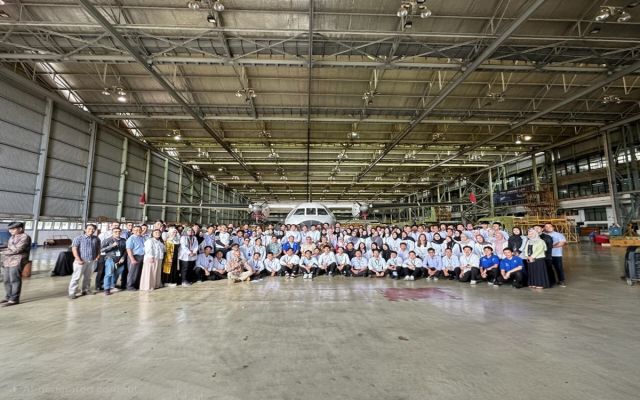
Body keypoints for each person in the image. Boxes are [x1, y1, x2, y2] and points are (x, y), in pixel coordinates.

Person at [1, 222, 31, 306]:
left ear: (20, 229)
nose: (10, 231)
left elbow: (18, 250)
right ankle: (8, 297)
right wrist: (5, 250)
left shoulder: (25, 237)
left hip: (18, 260)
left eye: (13, 229)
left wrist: (2, 252)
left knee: (14, 280)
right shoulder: (12, 237)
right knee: (6, 280)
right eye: (10, 229)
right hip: (8, 260)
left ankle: (14, 299)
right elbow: (9, 248)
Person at [69, 224, 101, 299]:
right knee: (76, 277)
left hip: (92, 261)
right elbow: (74, 249)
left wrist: (97, 257)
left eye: (93, 229)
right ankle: (72, 292)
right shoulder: (78, 238)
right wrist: (78, 259)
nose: (91, 230)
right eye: (89, 229)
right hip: (81, 261)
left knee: (88, 277)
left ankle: (85, 290)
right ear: (85, 229)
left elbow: (99, 248)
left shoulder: (96, 239)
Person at [101, 227, 126, 295]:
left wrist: (123, 257)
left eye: (119, 231)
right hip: (110, 259)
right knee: (109, 274)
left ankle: (112, 286)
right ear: (112, 232)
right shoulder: (107, 240)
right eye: (115, 231)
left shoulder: (123, 240)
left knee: (116, 274)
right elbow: (102, 250)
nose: (117, 233)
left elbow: (125, 250)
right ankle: (107, 289)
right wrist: (112, 246)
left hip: (120, 260)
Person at [125, 226, 145, 291]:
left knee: (138, 272)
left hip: (141, 256)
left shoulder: (142, 238)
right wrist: (132, 259)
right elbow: (129, 249)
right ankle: (130, 286)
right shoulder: (131, 238)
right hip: (134, 256)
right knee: (132, 272)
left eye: (139, 230)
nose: (138, 231)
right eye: (136, 230)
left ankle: (136, 285)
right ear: (133, 231)